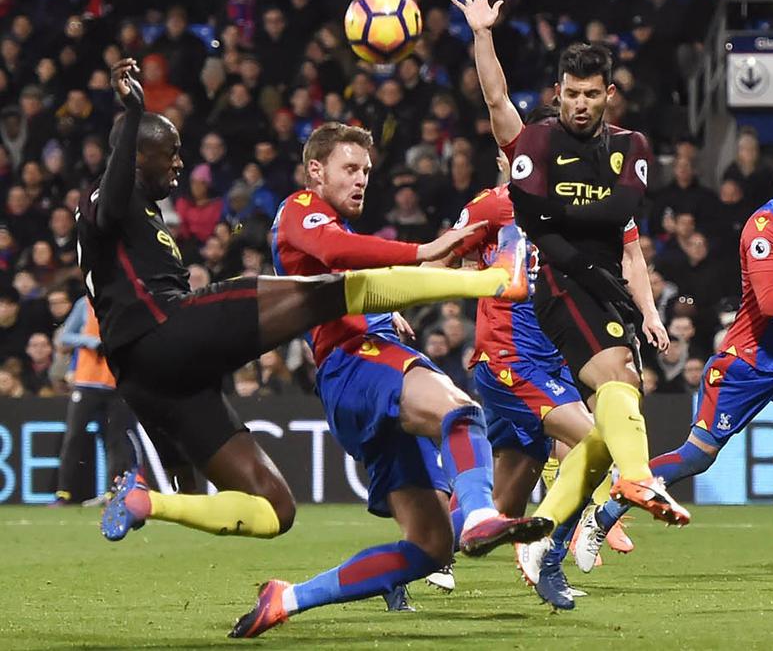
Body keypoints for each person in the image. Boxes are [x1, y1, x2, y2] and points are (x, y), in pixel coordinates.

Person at [80, 59, 524, 555]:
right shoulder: (105, 198)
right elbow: (111, 204)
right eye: (171, 153)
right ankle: (493, 282)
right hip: (168, 329)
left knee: (274, 510)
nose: (179, 164)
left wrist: (179, 473)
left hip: (150, 378)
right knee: (324, 291)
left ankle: (148, 502)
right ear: (136, 154)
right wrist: (428, 251)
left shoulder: (138, 216)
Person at [228, 122, 551, 638]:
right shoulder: (298, 210)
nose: (361, 180)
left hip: (357, 377)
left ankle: (286, 598)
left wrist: (391, 303)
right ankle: (480, 514)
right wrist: (423, 249)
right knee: (460, 412)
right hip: (356, 364)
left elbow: (349, 279)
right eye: (350, 169)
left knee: (427, 548)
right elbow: (336, 254)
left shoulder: (338, 229)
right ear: (316, 171)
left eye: (366, 172)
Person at [452, 0, 666, 609]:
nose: (576, 105)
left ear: (606, 97)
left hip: (558, 349)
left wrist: (648, 309)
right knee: (599, 434)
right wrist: (483, 35)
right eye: (567, 95)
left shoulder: (609, 175)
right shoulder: (497, 203)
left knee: (499, 513)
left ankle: (418, 560)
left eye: (587, 95)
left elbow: (627, 246)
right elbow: (495, 100)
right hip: (513, 356)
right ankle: (580, 533)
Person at [575, 143, 773, 571]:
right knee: (696, 457)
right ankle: (602, 516)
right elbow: (770, 301)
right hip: (745, 365)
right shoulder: (762, 227)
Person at [51, 295, 136, 506]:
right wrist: (91, 342)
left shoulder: (128, 303)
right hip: (87, 383)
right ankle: (64, 493)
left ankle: (113, 493)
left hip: (116, 384)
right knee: (74, 437)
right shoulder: (85, 304)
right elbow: (66, 336)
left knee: (116, 441)